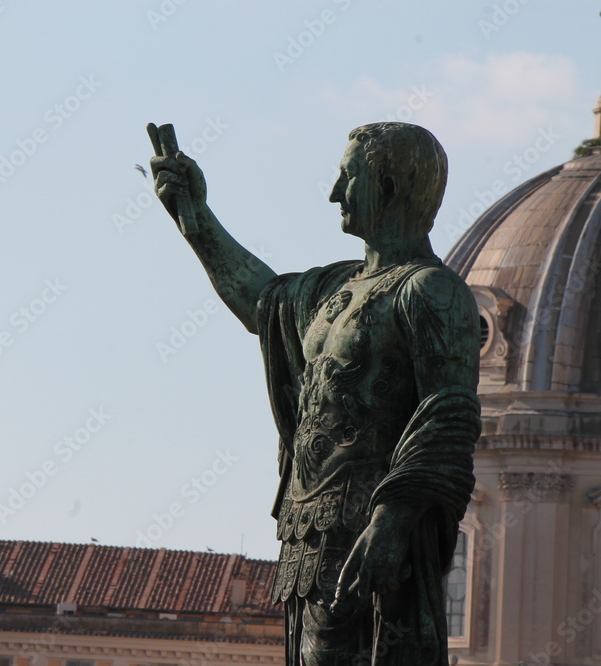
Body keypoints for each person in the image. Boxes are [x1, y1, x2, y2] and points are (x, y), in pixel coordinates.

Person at [151, 122, 480, 665]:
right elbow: (263, 301)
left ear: (391, 186)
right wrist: (194, 218)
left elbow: (448, 411)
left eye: (348, 177)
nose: (334, 192)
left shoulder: (430, 291)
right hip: (307, 531)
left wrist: (392, 521)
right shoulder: (334, 289)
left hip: (371, 532)